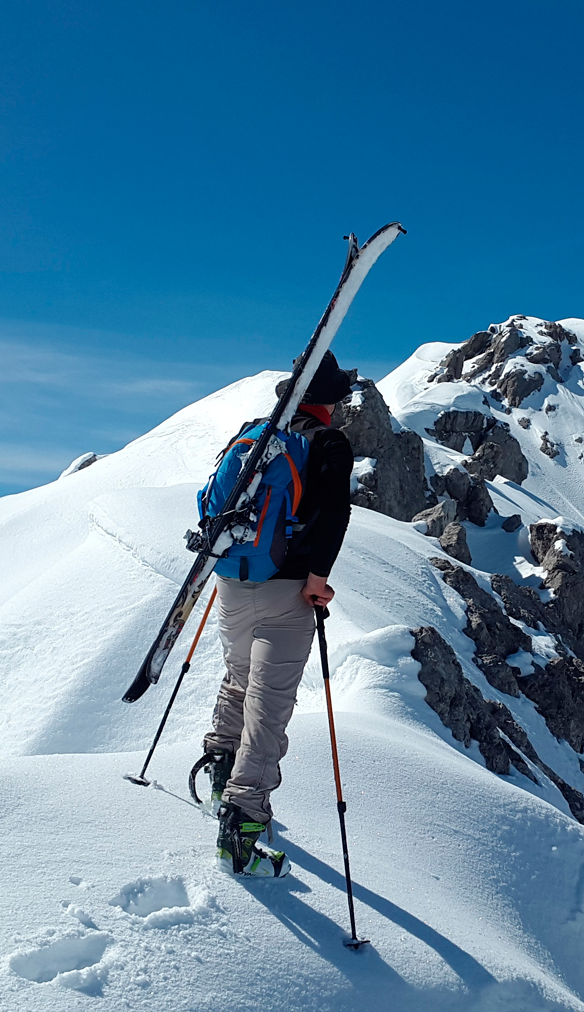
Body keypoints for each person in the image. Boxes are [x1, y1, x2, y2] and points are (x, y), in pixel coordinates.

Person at [198, 353, 355, 878]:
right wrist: (317, 577)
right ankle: (241, 828)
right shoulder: (328, 442)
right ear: (328, 399)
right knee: (270, 708)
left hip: (232, 579)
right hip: (286, 591)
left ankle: (220, 771)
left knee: (238, 678)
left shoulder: (258, 433)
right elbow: (334, 511)